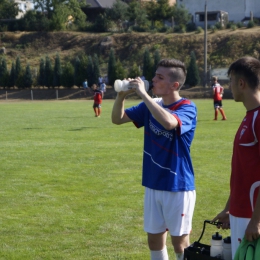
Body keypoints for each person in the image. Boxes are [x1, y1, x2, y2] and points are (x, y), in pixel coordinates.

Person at [111, 58, 197, 260]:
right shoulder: (152, 105)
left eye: (160, 77)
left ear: (174, 85)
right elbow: (117, 119)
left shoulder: (187, 107)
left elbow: (169, 123)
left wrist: (143, 94)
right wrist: (121, 96)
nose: (153, 80)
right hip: (153, 183)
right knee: (154, 240)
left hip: (177, 186)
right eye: (155, 75)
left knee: (180, 244)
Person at [212, 56, 260, 259]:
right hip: (242, 212)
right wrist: (229, 208)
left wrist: (256, 220)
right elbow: (244, 172)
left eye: (230, 81)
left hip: (252, 217)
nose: (228, 86)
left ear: (241, 83)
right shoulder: (249, 116)